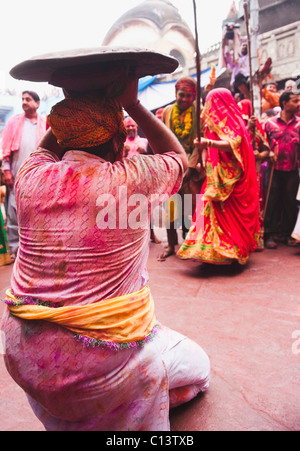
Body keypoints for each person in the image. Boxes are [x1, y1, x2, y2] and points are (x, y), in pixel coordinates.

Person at [1, 66, 210, 431]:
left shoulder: (29, 178)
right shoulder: (130, 178)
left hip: (25, 356)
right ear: (117, 142)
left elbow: (49, 147)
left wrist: (74, 102)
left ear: (63, 135)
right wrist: (132, 103)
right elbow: (178, 157)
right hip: (99, 365)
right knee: (200, 370)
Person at [177, 88, 260, 265]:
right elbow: (206, 147)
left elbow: (233, 143)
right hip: (213, 174)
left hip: (232, 177)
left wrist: (208, 142)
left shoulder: (234, 120)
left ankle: (230, 253)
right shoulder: (209, 122)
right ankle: (206, 251)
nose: (209, 106)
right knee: (206, 209)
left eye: (211, 101)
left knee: (230, 215)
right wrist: (203, 162)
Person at [159, 76, 204, 260]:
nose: (185, 99)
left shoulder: (199, 113)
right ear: (175, 94)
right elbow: (161, 138)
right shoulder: (167, 112)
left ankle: (191, 245)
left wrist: (190, 168)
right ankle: (171, 245)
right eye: (181, 95)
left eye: (189, 96)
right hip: (172, 166)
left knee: (192, 208)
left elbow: (199, 144)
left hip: (193, 170)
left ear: (194, 97)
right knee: (170, 208)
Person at [1, 91, 46, 261]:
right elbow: (6, 149)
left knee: (39, 209)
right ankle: (14, 248)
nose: (24, 102)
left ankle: (38, 246)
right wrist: (6, 169)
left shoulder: (45, 123)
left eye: (28, 99)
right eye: (22, 99)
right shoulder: (14, 122)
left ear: (38, 102)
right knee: (14, 210)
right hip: (18, 172)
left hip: (41, 174)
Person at [264, 90, 300, 249]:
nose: (298, 104)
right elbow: (262, 145)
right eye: (295, 101)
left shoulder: (299, 124)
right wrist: (269, 152)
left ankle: (287, 234)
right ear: (284, 103)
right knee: (271, 201)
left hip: (293, 168)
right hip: (273, 169)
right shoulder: (269, 123)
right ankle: (269, 234)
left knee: (290, 202)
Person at [239, 99, 270, 250]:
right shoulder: (239, 126)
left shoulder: (257, 127)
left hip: (255, 170)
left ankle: (256, 239)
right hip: (240, 171)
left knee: (256, 202)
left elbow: (266, 149)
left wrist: (260, 155)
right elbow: (235, 143)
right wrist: (247, 127)